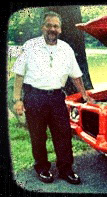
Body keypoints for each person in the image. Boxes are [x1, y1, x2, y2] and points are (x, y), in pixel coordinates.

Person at [12, 11, 93, 184]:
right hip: (34, 97)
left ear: (60, 30)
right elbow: (19, 74)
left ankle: (66, 170)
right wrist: (17, 99)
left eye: (56, 26)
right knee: (38, 135)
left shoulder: (66, 49)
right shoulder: (30, 46)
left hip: (57, 98)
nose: (52, 29)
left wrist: (85, 95)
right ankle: (42, 168)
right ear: (43, 27)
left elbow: (76, 75)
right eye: (49, 25)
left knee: (63, 134)